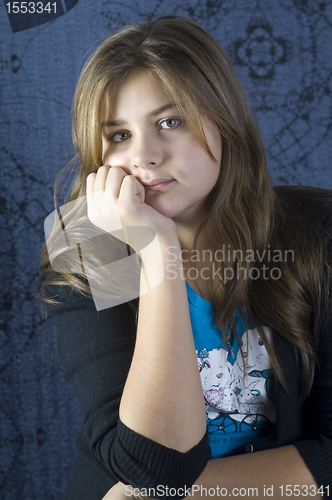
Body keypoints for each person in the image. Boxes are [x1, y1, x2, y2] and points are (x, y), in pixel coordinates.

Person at [39, 15, 332, 500]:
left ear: (224, 120)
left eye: (170, 122)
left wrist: (171, 494)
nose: (145, 156)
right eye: (118, 136)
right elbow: (153, 463)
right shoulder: (85, 249)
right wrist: (157, 252)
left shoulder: (318, 231)